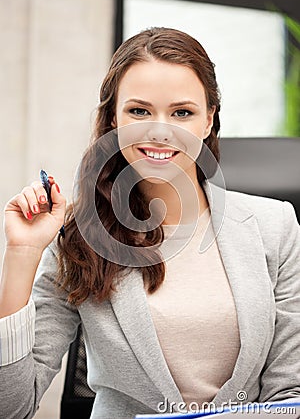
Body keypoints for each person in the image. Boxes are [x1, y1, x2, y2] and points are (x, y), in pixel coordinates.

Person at [0, 27, 299, 419]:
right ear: (112, 119)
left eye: (182, 113)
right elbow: (12, 408)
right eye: (139, 111)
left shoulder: (275, 227)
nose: (160, 131)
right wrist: (22, 254)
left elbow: (290, 393)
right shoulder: (79, 237)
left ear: (208, 121)